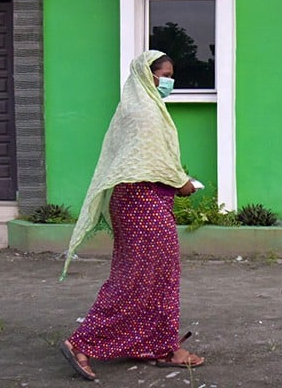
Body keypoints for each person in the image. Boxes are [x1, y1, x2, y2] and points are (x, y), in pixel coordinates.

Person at [59, 50, 205, 381]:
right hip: (143, 205)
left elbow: (146, 160)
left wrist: (175, 180)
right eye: (164, 76)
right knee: (137, 279)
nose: (168, 82)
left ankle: (158, 345)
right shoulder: (145, 113)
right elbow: (155, 163)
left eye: (171, 76)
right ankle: (81, 342)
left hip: (137, 203)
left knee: (157, 276)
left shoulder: (137, 107)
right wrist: (182, 183)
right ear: (145, 75)